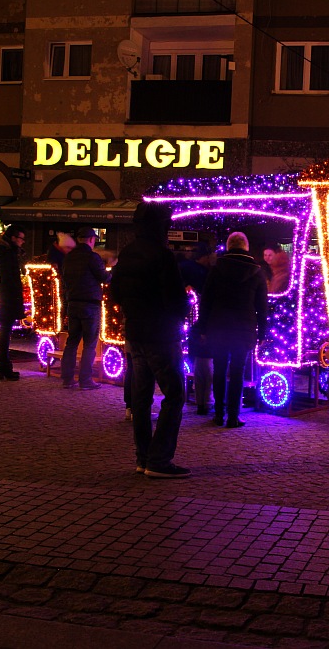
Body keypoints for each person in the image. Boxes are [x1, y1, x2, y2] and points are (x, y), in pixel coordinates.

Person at [110, 203, 190, 478]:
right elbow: (176, 298)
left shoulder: (128, 252)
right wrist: (182, 314)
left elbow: (115, 291)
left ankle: (143, 457)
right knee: (175, 394)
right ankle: (159, 459)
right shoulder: (162, 255)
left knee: (141, 398)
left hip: (135, 332)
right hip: (161, 333)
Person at [197, 232, 267, 428]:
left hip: (218, 326)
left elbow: (206, 300)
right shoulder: (257, 272)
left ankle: (218, 414)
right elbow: (262, 306)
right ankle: (233, 416)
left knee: (219, 370)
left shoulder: (217, 268)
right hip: (244, 329)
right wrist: (262, 332)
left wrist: (202, 327)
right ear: (246, 247)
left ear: (228, 247)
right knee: (238, 372)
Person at [59, 227, 110, 390]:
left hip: (73, 303)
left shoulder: (68, 258)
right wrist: (112, 268)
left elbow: (64, 279)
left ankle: (67, 379)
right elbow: (104, 277)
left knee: (72, 342)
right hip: (90, 304)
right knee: (89, 343)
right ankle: (85, 380)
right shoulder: (92, 257)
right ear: (91, 240)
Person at [180, 242, 217, 415]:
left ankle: (200, 398)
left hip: (189, 322)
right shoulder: (202, 273)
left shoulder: (184, 268)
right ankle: (207, 400)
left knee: (199, 362)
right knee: (207, 363)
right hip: (204, 322)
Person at [0, 225, 27, 382]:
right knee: (5, 331)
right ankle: (4, 366)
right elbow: (11, 278)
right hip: (8, 296)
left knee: (5, 330)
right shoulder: (8, 254)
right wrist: (18, 299)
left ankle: (4, 366)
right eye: (21, 238)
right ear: (13, 238)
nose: (23, 242)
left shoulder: (5, 252)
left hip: (6, 295)